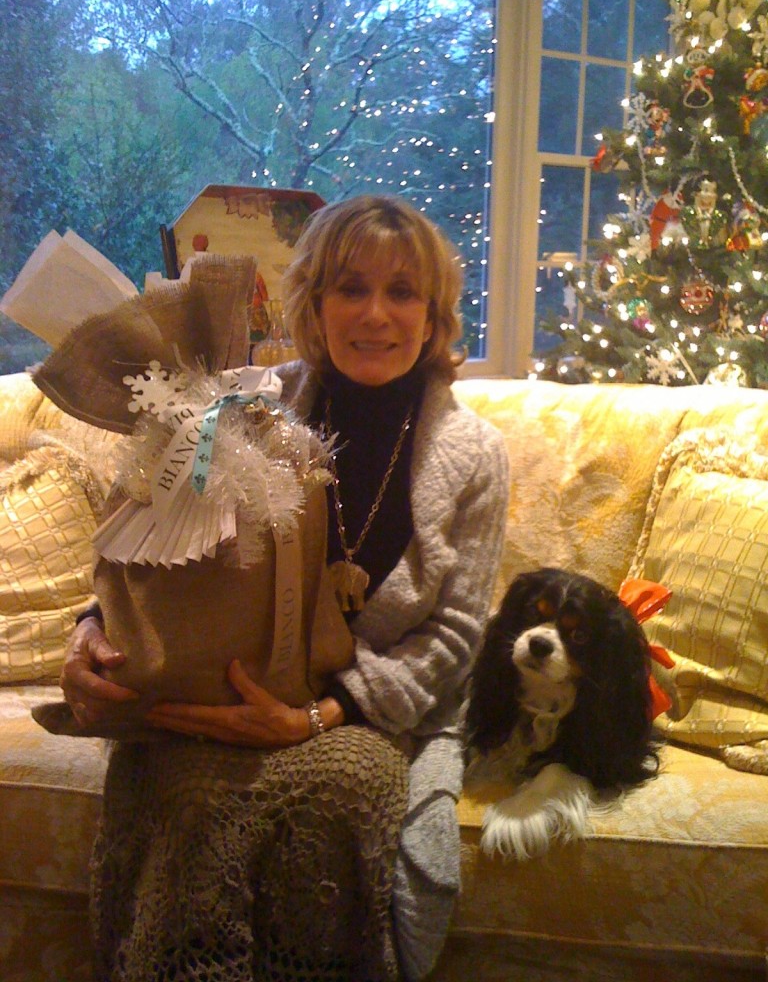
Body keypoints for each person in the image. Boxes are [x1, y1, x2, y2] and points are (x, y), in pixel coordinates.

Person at [61, 194, 510, 982]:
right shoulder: (239, 407)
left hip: (358, 716)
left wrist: (316, 715)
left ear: (435, 316)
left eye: (402, 292)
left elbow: (454, 636)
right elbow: (160, 555)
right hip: (217, 693)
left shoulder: (473, 454)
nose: (376, 314)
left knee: (344, 788)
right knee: (178, 791)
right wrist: (94, 631)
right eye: (350, 288)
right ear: (314, 302)